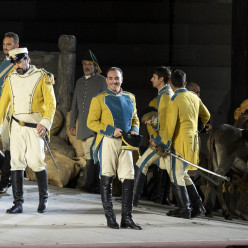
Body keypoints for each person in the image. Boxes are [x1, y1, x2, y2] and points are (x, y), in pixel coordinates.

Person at [0, 47, 56, 214]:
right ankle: (18, 203)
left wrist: (45, 123)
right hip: (17, 126)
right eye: (15, 63)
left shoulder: (42, 77)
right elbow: (3, 105)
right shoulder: (10, 79)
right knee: (15, 163)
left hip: (35, 128)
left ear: (28, 59)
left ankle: (43, 199)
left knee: (36, 162)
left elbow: (51, 103)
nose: (17, 65)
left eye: (19, 61)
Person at [87, 67, 141, 230]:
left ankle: (127, 218)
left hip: (126, 142)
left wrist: (134, 130)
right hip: (108, 141)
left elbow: (135, 120)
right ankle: (110, 218)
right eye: (110, 78)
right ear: (106, 80)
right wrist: (111, 130)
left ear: (122, 79)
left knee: (129, 178)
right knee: (107, 177)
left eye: (116, 78)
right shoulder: (99, 99)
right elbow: (91, 122)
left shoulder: (130, 97)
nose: (113, 81)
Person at [158, 70, 210, 219]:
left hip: (179, 141)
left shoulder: (174, 99)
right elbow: (206, 115)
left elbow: (170, 125)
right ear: (185, 83)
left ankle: (185, 208)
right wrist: (198, 128)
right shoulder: (194, 97)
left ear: (171, 84)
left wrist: (165, 144)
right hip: (193, 141)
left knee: (176, 174)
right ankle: (197, 204)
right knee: (184, 174)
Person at [133, 66, 173, 207]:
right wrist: (154, 123)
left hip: (163, 142)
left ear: (161, 79)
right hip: (162, 140)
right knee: (178, 175)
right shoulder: (164, 94)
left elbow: (168, 121)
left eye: (154, 77)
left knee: (141, 164)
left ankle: (133, 200)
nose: (151, 79)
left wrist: (157, 139)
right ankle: (195, 204)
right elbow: (162, 119)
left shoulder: (166, 95)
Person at [69, 50, 106, 193]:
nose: (86, 67)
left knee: (93, 155)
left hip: (96, 125)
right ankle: (92, 184)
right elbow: (75, 105)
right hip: (83, 125)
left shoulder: (102, 81)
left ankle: (92, 184)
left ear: (95, 66)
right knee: (88, 155)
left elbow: (105, 103)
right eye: (84, 64)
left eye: (90, 64)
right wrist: (72, 124)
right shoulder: (79, 82)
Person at [0, 32, 19, 194]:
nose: (6, 47)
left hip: (11, 111)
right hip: (1, 108)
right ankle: (11, 173)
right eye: (5, 44)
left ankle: (4, 181)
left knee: (9, 147)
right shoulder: (4, 62)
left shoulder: (17, 64)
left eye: (9, 45)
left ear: (16, 46)